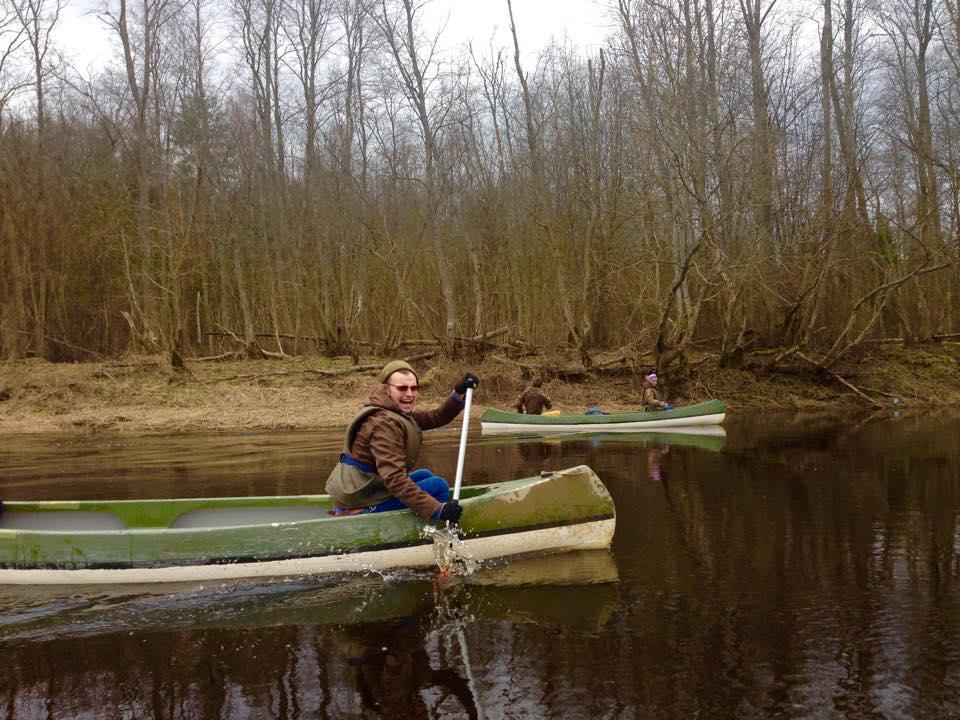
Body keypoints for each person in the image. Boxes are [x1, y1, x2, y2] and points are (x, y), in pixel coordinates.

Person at [326, 360, 479, 524]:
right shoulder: (384, 425)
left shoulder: (393, 412)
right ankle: (433, 533)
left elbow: (436, 417)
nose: (410, 394)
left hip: (364, 489)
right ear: (386, 389)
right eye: (402, 388)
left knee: (425, 475)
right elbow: (396, 480)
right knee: (439, 486)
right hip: (360, 498)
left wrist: (458, 393)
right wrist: (438, 510)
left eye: (414, 388)